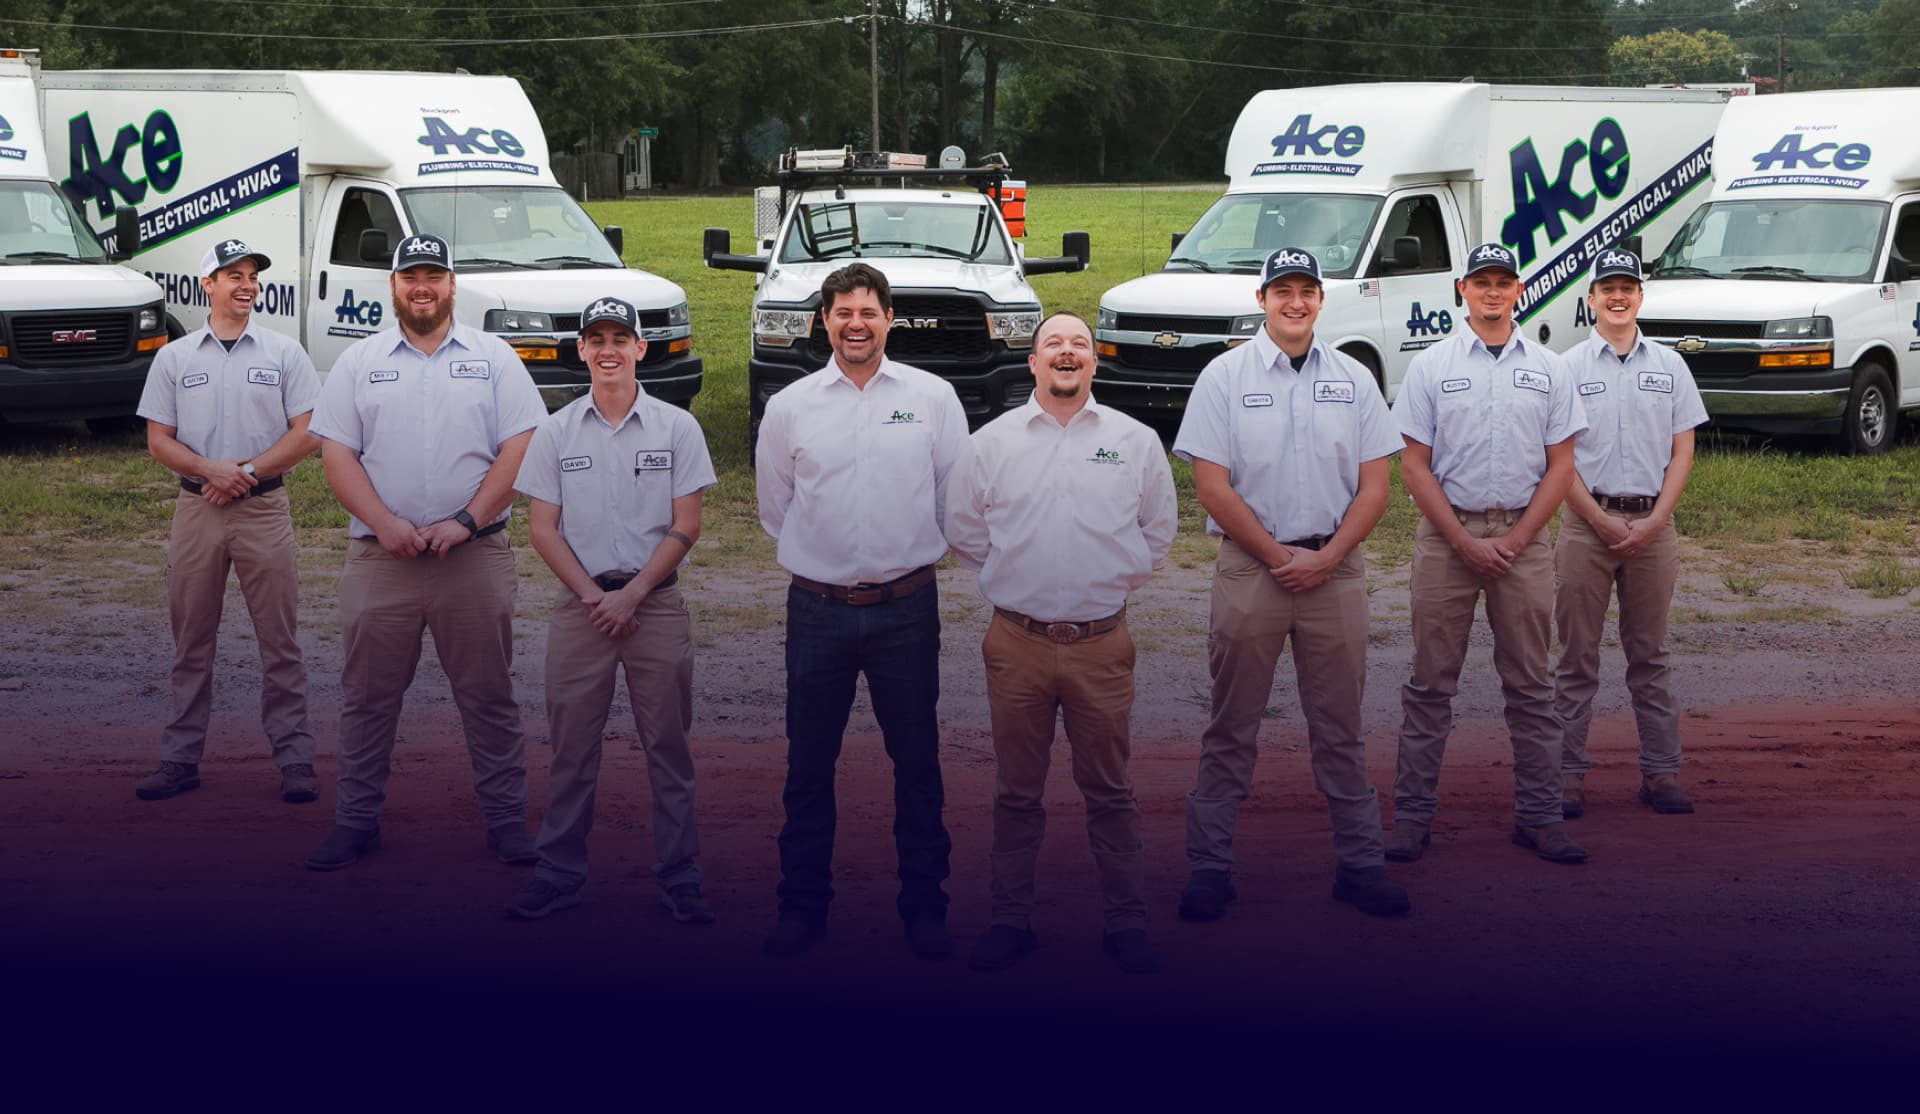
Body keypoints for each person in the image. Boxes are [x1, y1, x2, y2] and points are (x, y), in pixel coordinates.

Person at [1171, 247, 1411, 921]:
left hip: (1334, 572)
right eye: (1283, 291)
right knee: (1232, 723)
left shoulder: (1355, 379)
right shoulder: (1223, 377)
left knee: (1340, 727)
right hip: (1253, 570)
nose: (1295, 302)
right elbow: (1211, 487)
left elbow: (1375, 486)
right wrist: (1279, 555)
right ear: (1261, 299)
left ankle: (1360, 866)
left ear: (1321, 300)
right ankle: (1210, 868)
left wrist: (1328, 555)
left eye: (1307, 290)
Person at [302, 233, 546, 871]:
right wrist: (382, 523)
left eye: (434, 275)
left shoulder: (494, 358)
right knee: (365, 697)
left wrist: (468, 520)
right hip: (383, 560)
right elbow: (337, 454)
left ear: (452, 284)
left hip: (474, 556)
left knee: (489, 695)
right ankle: (356, 823)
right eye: (411, 275)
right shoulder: (358, 362)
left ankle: (505, 824)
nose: (422, 286)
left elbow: (520, 447)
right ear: (392, 285)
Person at [945, 311, 1177, 974]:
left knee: (1110, 788)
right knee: (1017, 791)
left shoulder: (1133, 441)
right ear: (1034, 362)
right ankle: (1010, 920)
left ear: (1094, 361)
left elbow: (1157, 533)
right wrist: (1020, 581)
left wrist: (1102, 584)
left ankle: (1126, 923)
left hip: (1102, 644)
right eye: (1054, 345)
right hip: (1016, 642)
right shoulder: (991, 442)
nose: (1067, 353)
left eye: (1079, 344)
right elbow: (964, 530)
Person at [755, 262, 967, 959]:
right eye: (842, 312)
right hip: (817, 609)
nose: (855, 324)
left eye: (868, 312)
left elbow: (952, 500)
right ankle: (800, 907)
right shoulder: (790, 407)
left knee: (918, 763)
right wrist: (828, 561)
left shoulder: (933, 399)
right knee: (809, 765)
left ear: (889, 319)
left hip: (907, 608)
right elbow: (775, 509)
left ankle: (924, 908)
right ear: (824, 320)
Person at [505, 296, 718, 922]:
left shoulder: (678, 428)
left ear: (640, 348)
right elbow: (543, 529)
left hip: (654, 603)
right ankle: (558, 872)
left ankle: (680, 875)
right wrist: (596, 596)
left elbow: (688, 524)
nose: (607, 349)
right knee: (571, 748)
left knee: (669, 749)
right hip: (583, 608)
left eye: (619, 338)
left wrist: (633, 593)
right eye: (595, 338)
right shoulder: (556, 430)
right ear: (581, 349)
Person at [1388, 242, 1590, 865]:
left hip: (1522, 543)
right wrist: (1461, 541)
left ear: (1519, 289)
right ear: (1462, 290)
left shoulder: (1550, 368)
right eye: (1482, 282)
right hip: (1447, 541)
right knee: (1429, 684)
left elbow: (1562, 467)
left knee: (1532, 685)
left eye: (1504, 281)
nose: (1493, 292)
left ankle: (1539, 817)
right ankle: (1412, 821)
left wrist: (1517, 538)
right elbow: (1413, 465)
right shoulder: (1429, 366)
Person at [133, 237, 321, 803]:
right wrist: (211, 470)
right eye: (231, 275)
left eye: (251, 275)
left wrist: (246, 471)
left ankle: (294, 760)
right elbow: (158, 441)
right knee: (191, 642)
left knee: (280, 643)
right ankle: (180, 759)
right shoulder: (175, 357)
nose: (245, 285)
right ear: (207, 285)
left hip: (263, 509)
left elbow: (308, 432)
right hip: (198, 511)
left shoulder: (285, 354)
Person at [1554, 249, 1706, 818]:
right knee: (1576, 657)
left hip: (1652, 526)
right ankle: (1567, 777)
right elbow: (1558, 459)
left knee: (1651, 655)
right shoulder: (1566, 368)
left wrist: (1657, 520)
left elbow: (1683, 448)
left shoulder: (1669, 366)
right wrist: (1597, 519)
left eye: (1628, 288)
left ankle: (1661, 773)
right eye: (1606, 288)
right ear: (1590, 298)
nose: (1618, 297)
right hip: (1584, 525)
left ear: (1641, 297)